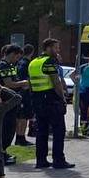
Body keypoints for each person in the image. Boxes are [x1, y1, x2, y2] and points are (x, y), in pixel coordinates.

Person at [28, 39, 74, 169]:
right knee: (59, 130)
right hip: (51, 99)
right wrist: (63, 98)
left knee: (41, 131)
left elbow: (30, 82)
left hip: (37, 99)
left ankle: (41, 160)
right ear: (48, 48)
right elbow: (56, 82)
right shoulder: (49, 61)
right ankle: (58, 160)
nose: (58, 50)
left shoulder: (33, 62)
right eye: (56, 48)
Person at [0, 45, 29, 155]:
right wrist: (24, 83)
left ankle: (3, 151)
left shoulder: (7, 65)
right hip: (5, 100)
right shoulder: (4, 66)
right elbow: (9, 84)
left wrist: (20, 85)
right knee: (7, 127)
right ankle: (1, 151)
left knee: (9, 127)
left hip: (8, 99)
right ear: (12, 54)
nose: (17, 60)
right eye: (17, 57)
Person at [14, 44, 35, 145]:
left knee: (22, 116)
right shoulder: (26, 63)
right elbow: (24, 77)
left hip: (21, 91)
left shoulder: (19, 62)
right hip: (24, 92)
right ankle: (21, 137)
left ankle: (20, 137)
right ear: (32, 52)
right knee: (23, 116)